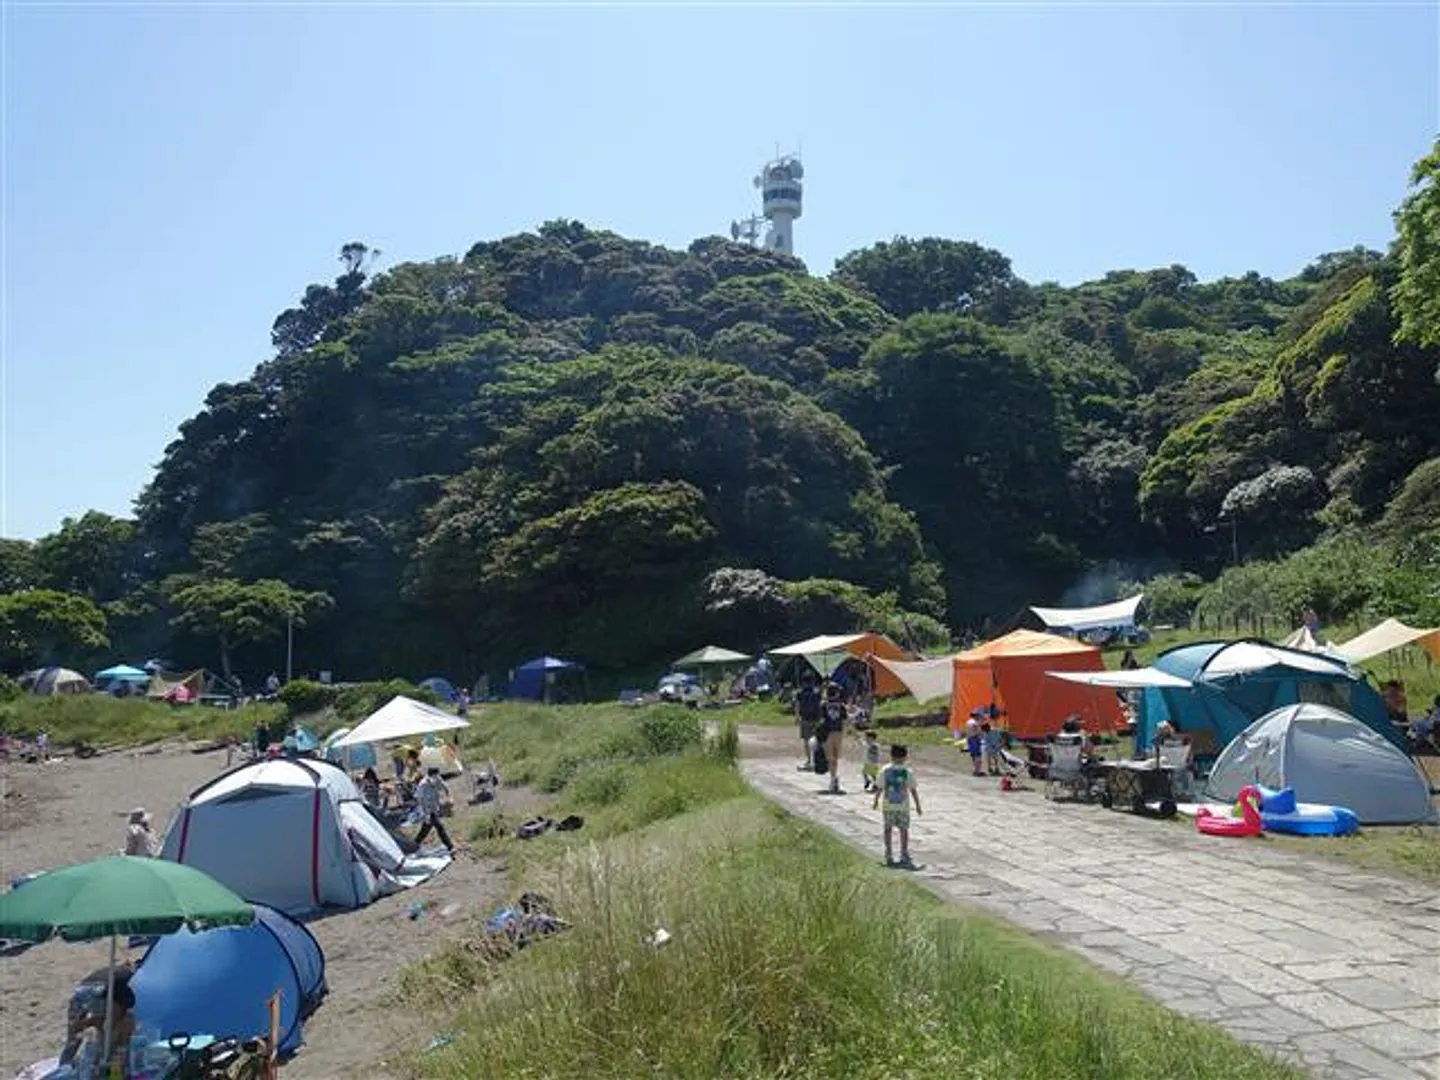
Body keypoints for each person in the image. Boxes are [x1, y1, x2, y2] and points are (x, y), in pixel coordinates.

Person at [60, 965, 137, 1073]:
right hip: (95, 992)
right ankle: (64, 1067)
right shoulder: (117, 992)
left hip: (85, 989)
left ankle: (65, 1063)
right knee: (77, 1038)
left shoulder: (123, 977)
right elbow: (103, 1019)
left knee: (75, 1039)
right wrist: (84, 1024)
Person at [873, 744, 921, 869]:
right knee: (903, 830)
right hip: (903, 806)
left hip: (888, 805)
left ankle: (888, 853)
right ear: (905, 757)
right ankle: (903, 853)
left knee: (888, 829)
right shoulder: (907, 771)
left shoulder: (885, 770)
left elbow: (880, 787)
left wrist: (876, 800)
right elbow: (913, 789)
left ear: (891, 756)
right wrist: (917, 805)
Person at [414, 767, 454, 852]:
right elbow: (420, 800)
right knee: (440, 827)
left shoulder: (437, 779)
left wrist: (449, 796)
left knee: (425, 829)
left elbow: (445, 786)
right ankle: (450, 846)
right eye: (436, 776)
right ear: (430, 775)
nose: (437, 778)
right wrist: (426, 814)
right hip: (426, 809)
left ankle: (414, 844)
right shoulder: (423, 785)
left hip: (434, 807)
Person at [819, 684, 848, 794]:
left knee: (830, 757)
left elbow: (820, 720)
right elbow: (845, 720)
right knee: (835, 757)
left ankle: (833, 778)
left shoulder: (823, 705)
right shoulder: (841, 706)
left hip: (827, 733)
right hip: (838, 732)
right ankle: (834, 777)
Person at [794, 677, 821, 772]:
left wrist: (797, 717)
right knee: (816, 740)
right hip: (816, 719)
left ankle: (810, 761)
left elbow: (797, 705)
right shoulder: (817, 692)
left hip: (805, 719)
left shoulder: (800, 693)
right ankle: (817, 761)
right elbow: (820, 704)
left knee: (806, 741)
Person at [964, 712, 984, 776]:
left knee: (973, 755)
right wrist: (980, 735)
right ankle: (977, 771)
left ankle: (975, 770)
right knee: (978, 755)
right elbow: (977, 731)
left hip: (970, 739)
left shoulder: (968, 722)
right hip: (975, 738)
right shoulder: (975, 723)